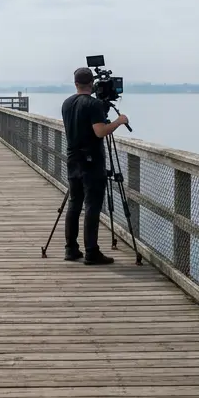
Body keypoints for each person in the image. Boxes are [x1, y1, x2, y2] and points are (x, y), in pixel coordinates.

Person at [61, 67, 130, 264]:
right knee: (92, 206)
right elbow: (100, 132)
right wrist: (119, 121)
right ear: (92, 84)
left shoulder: (67, 103)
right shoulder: (93, 105)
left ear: (75, 84)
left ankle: (71, 249)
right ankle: (92, 251)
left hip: (73, 160)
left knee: (75, 204)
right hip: (91, 163)